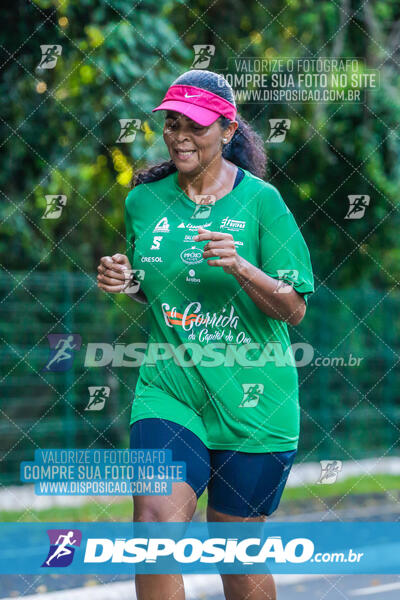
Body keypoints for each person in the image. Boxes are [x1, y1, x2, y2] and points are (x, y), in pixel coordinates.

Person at [97, 69, 314, 600]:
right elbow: (158, 287)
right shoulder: (144, 201)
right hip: (170, 388)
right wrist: (127, 282)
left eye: (194, 124)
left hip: (254, 398)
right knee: (153, 529)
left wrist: (242, 267)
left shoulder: (263, 203)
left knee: (235, 555)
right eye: (172, 123)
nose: (179, 135)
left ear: (227, 128)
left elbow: (293, 308)